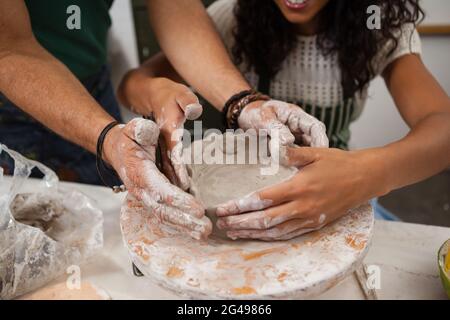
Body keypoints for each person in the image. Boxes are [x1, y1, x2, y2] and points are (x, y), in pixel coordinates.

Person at [119, 0, 450, 240]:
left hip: (338, 189)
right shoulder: (231, 18)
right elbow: (131, 84)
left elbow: (443, 126)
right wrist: (154, 90)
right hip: (235, 204)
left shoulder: (377, 26)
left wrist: (368, 172)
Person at [0, 0, 327, 240]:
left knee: (100, 228)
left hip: (88, 74)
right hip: (10, 99)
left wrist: (244, 103)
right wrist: (109, 139)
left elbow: (173, 6)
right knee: (27, 239)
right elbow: (10, 50)